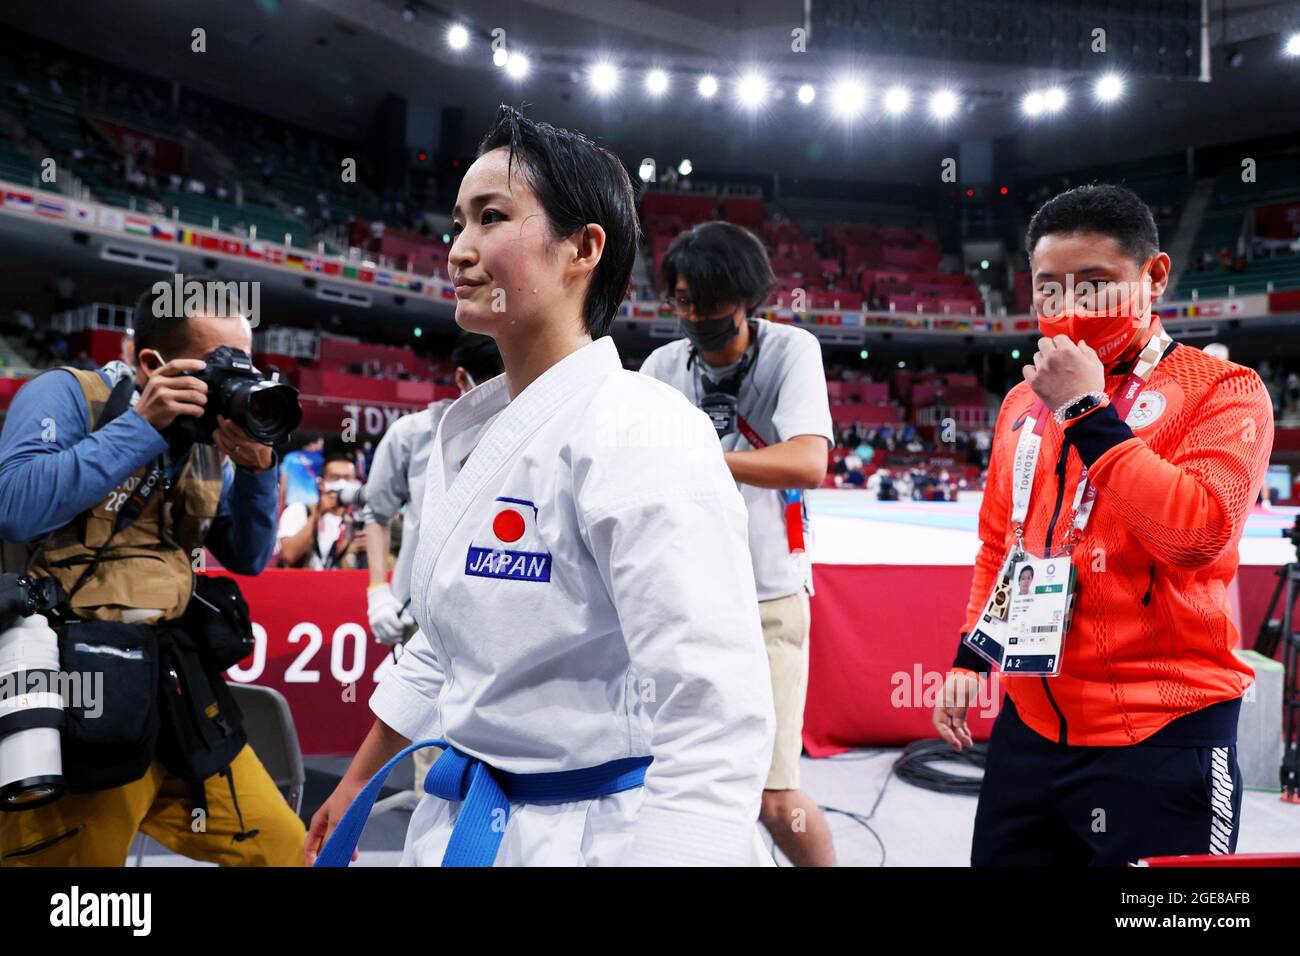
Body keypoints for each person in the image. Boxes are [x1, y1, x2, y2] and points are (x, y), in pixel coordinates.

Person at [306, 106, 774, 867]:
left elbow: (712, 714)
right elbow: (444, 646)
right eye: (456, 222)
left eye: (491, 217)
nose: (458, 250)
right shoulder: (473, 434)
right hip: (463, 818)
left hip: (593, 835)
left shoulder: (641, 428)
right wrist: (359, 778)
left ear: (584, 247)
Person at [934, 185, 1273, 865]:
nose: (1069, 309)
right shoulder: (1020, 406)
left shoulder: (1222, 391)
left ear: (1154, 277)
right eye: (1048, 288)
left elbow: (1197, 534)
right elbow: (1004, 544)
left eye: (1094, 286)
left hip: (1164, 735)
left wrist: (1088, 412)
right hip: (1029, 732)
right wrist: (973, 655)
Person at [0, 278, 304, 866]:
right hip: (79, 688)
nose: (233, 381)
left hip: (176, 687)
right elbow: (16, 508)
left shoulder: (208, 439)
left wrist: (261, 469)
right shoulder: (69, 394)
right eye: (217, 366)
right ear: (151, 361)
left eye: (244, 364)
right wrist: (140, 427)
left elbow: (248, 555)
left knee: (281, 848)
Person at [639, 220, 836, 867]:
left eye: (709, 301)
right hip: (684, 603)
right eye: (683, 300)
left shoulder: (792, 351)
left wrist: (698, 458)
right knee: (674, 785)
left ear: (748, 297)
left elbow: (808, 462)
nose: (695, 315)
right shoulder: (662, 367)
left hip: (769, 597)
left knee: (775, 800)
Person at [362, 331, 503, 807]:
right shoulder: (411, 435)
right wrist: (377, 589)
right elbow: (375, 515)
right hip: (418, 616)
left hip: (493, 616)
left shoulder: (524, 430)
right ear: (461, 378)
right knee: (432, 762)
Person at [277, 452, 366, 569]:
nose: (342, 483)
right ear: (321, 483)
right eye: (335, 477)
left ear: (356, 483)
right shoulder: (299, 510)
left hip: (344, 584)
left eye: (348, 478)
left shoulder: (360, 518)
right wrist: (318, 514)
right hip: (306, 584)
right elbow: (289, 555)